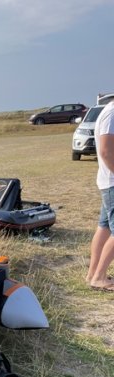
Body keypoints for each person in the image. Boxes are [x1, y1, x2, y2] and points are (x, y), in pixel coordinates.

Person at [87, 96, 114, 291]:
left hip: (109, 181)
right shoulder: (112, 113)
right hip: (112, 182)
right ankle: (99, 277)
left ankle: (93, 274)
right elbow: (106, 151)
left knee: (104, 227)